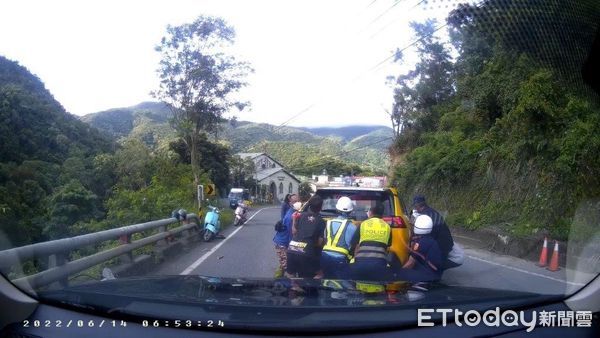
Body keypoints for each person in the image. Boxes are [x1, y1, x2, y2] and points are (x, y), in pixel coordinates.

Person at [350, 202, 394, 281]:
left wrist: (355, 260)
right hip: (380, 264)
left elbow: (355, 245)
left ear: (371, 212)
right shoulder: (387, 227)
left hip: (361, 263)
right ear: (382, 214)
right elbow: (387, 247)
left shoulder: (363, 224)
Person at [318, 197, 359, 279]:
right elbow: (354, 246)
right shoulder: (353, 227)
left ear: (337, 209)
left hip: (324, 257)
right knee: (342, 285)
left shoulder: (328, 223)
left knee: (326, 281)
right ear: (350, 211)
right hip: (341, 259)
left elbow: (324, 240)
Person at [393, 215, 443, 282]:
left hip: (428, 276)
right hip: (435, 273)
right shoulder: (429, 240)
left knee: (405, 279)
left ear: (418, 226)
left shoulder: (420, 243)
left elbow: (410, 263)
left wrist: (395, 275)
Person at [286, 196, 326, 278]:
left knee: (290, 274)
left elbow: (294, 232)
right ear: (321, 207)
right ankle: (310, 289)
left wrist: (294, 220)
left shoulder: (300, 215)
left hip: (292, 249)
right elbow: (319, 242)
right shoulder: (321, 221)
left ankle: (292, 288)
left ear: (309, 205)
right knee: (319, 274)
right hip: (306, 253)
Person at [412, 195, 456, 269]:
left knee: (433, 265)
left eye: (415, 206)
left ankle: (434, 275)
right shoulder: (430, 211)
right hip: (445, 241)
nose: (415, 208)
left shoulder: (426, 217)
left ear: (417, 205)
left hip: (442, 244)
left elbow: (427, 237)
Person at [273, 194, 298, 277]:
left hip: (282, 242)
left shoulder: (294, 212)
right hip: (282, 244)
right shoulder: (291, 216)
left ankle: (279, 281)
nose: (297, 203)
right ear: (290, 203)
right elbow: (290, 234)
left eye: (298, 201)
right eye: (294, 201)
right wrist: (294, 248)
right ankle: (284, 284)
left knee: (284, 265)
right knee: (288, 267)